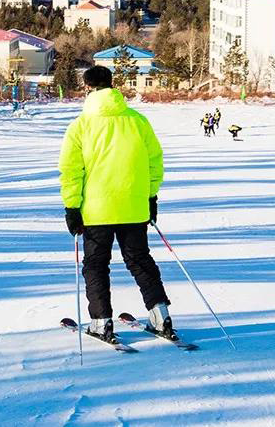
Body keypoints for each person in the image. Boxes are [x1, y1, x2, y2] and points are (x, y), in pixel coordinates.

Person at [59, 65, 173, 344]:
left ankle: (101, 322)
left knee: (96, 265)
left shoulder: (80, 126)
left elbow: (71, 170)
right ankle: (161, 317)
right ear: (112, 85)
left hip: (96, 211)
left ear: (87, 88)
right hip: (134, 207)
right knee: (140, 260)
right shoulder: (137, 121)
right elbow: (154, 162)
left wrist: (72, 207)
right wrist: (150, 196)